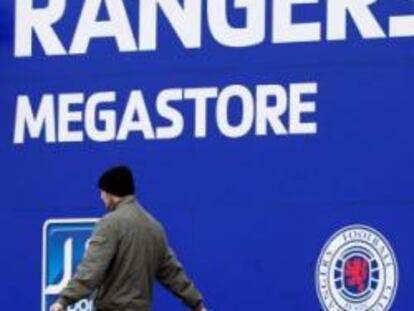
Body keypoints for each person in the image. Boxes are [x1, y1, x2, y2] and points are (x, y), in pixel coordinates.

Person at [50, 166, 207, 311]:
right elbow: (173, 274)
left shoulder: (110, 224)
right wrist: (197, 303)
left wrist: (64, 300)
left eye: (102, 192)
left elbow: (91, 269)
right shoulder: (154, 227)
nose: (101, 197)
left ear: (112, 193)